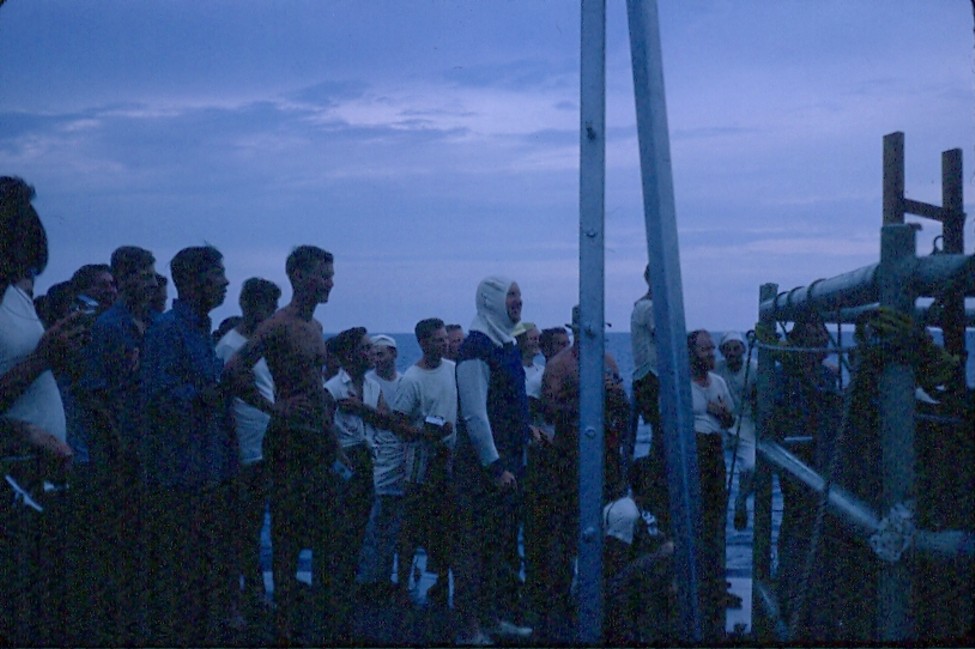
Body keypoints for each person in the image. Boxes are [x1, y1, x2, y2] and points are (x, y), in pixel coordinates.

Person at [224, 245, 339, 643]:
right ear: (298, 277)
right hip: (288, 441)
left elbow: (316, 387)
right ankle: (286, 627)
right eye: (323, 275)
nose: (330, 282)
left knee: (324, 533)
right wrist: (273, 408)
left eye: (331, 274)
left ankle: (319, 620)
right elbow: (233, 368)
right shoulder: (278, 324)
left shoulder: (317, 328)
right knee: (288, 537)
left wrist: (333, 438)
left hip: (316, 440)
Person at [0, 176, 85, 645]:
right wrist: (42, 358)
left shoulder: (16, 295)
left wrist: (59, 354)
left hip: (38, 477)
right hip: (13, 479)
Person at [139, 245, 238, 645]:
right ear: (193, 282)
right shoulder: (167, 331)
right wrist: (206, 396)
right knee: (181, 582)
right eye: (218, 275)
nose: (226, 282)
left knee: (202, 578)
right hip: (178, 478)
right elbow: (156, 397)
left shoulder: (198, 330)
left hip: (207, 472)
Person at [72, 245, 159, 643]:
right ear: (123, 278)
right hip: (118, 453)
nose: (150, 281)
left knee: (148, 539)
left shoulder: (154, 324)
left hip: (152, 449)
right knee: (118, 539)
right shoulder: (109, 326)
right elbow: (93, 392)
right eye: (142, 274)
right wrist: (119, 440)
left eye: (151, 274)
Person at [530, 305, 629, 636]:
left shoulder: (609, 361)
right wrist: (589, 396)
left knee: (612, 519)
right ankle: (560, 596)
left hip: (608, 452)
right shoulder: (559, 366)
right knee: (568, 524)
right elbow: (548, 408)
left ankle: (608, 588)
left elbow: (623, 405)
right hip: (570, 455)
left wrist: (615, 396)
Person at [452, 276, 534, 646]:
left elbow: (511, 403)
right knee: (472, 548)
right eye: (510, 295)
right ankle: (469, 629)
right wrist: (495, 466)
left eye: (518, 294)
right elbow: (474, 415)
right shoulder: (475, 348)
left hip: (509, 464)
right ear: (491, 301)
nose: (517, 301)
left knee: (498, 547)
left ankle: (492, 617)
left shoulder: (506, 344)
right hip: (482, 469)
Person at [215, 277, 281, 624]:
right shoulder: (230, 347)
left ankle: (254, 592)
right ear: (248, 305)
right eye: (266, 308)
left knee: (253, 527)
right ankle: (236, 601)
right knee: (239, 529)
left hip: (262, 449)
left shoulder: (261, 344)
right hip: (242, 452)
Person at [390, 318, 458, 607]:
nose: (445, 344)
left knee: (446, 527)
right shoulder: (411, 379)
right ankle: (402, 584)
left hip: (449, 463)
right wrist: (427, 434)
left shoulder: (454, 370)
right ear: (423, 342)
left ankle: (441, 583)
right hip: (421, 464)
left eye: (446, 339)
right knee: (412, 527)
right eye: (438, 340)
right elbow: (398, 423)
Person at [686, 329, 735, 640]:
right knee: (694, 521)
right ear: (691, 353)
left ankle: (716, 586)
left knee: (716, 521)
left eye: (711, 348)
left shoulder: (718, 383)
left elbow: (731, 419)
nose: (711, 353)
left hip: (714, 454)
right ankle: (692, 584)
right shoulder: (680, 383)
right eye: (704, 349)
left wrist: (722, 413)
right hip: (691, 453)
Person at [353, 332, 409, 601]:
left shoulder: (405, 383)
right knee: (372, 521)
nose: (376, 359)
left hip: (399, 458)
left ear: (394, 354)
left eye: (381, 353)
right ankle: (366, 579)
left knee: (394, 523)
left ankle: (386, 577)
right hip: (374, 456)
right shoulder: (367, 383)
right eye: (372, 354)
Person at [714, 330, 757, 530]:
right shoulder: (715, 369)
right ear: (722, 352)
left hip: (746, 424)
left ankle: (741, 499)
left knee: (750, 466)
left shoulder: (755, 368)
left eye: (736, 348)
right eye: (728, 349)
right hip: (720, 422)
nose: (732, 353)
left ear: (743, 350)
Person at [631, 264, 661, 441]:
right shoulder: (649, 308)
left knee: (659, 434)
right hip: (653, 377)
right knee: (662, 433)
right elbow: (665, 339)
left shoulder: (642, 306)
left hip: (646, 377)